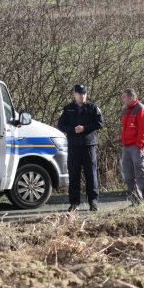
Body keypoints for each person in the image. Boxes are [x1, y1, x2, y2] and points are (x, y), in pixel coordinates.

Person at [58, 84, 104, 212]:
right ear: (75, 94)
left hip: (89, 145)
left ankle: (93, 202)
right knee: (74, 175)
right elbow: (61, 125)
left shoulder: (93, 108)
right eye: (79, 93)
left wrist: (85, 128)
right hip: (74, 146)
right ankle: (74, 203)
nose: (82, 96)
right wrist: (72, 129)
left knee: (91, 175)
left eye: (84, 93)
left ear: (86, 94)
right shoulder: (68, 109)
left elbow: (100, 123)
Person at [120, 88, 144, 204]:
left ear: (131, 97)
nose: (122, 99)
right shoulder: (125, 110)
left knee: (141, 173)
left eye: (124, 97)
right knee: (128, 175)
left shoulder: (141, 109)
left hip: (137, 147)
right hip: (127, 146)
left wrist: (140, 146)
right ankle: (136, 200)